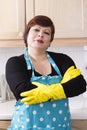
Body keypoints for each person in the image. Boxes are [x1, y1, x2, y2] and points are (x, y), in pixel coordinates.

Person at [6, 15, 86, 130]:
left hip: (59, 127)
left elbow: (79, 85)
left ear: (50, 41)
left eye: (47, 32)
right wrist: (61, 90)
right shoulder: (16, 62)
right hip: (26, 127)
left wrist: (46, 92)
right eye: (36, 30)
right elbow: (22, 91)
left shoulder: (62, 60)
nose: (40, 34)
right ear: (26, 35)